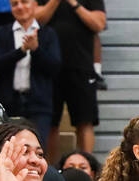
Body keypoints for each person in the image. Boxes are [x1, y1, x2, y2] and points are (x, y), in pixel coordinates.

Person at [35, 0, 104, 156]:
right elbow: (36, 19)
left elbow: (99, 24)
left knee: (85, 121)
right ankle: (48, 172)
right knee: (50, 123)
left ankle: (87, 170)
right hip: (49, 66)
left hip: (81, 66)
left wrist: (75, 4)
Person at [0, 0, 60, 145]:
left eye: (24, 2)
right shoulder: (3, 32)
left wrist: (36, 49)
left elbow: (54, 67)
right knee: (8, 149)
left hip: (39, 104)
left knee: (37, 149)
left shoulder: (48, 33)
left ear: (35, 5)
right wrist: (21, 51)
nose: (20, 7)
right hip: (8, 104)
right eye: (15, 4)